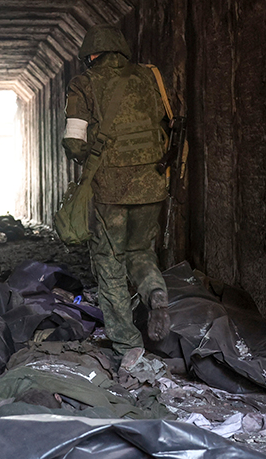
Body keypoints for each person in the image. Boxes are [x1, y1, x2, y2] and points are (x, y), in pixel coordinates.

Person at [62, 24, 171, 371]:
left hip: (111, 188)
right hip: (152, 183)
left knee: (109, 260)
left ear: (91, 55)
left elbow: (74, 141)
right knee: (140, 251)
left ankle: (127, 342)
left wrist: (88, 159)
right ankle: (156, 292)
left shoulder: (84, 83)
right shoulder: (150, 77)